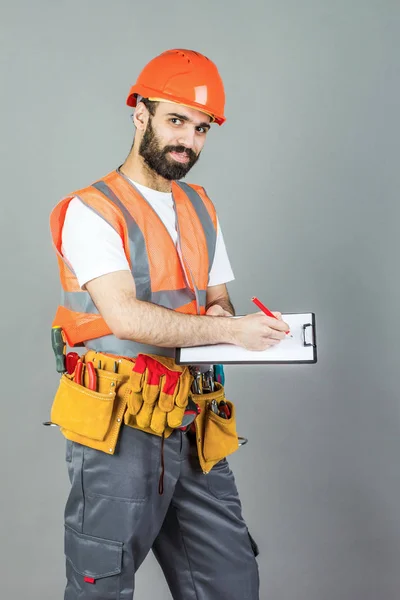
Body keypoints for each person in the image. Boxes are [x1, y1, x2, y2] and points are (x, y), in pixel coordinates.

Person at [48, 48, 289, 600]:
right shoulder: (92, 210)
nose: (188, 140)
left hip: (194, 420)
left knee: (229, 581)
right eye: (176, 120)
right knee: (101, 586)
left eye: (201, 128)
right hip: (121, 430)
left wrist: (232, 319)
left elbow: (217, 300)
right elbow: (125, 317)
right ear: (141, 116)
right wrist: (231, 332)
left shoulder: (200, 204)